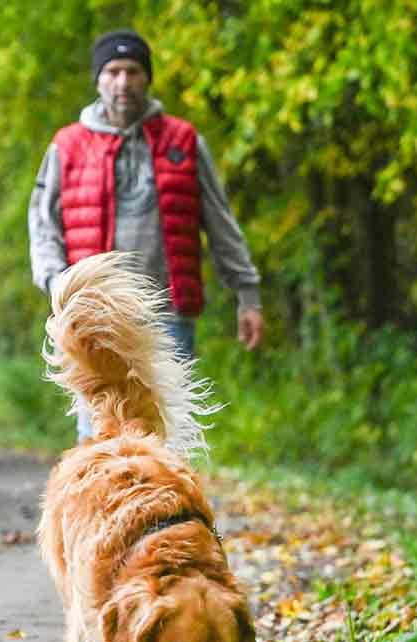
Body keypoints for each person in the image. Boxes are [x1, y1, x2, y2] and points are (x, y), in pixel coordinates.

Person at [28, 28, 264, 439]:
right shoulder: (68, 145)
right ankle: (101, 505)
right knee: (99, 431)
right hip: (94, 315)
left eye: (133, 71)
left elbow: (221, 222)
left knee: (163, 433)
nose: (123, 82)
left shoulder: (183, 142)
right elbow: (42, 227)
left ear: (147, 77)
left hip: (167, 312)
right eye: (113, 71)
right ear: (98, 79)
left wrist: (247, 294)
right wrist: (57, 283)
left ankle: (162, 504)